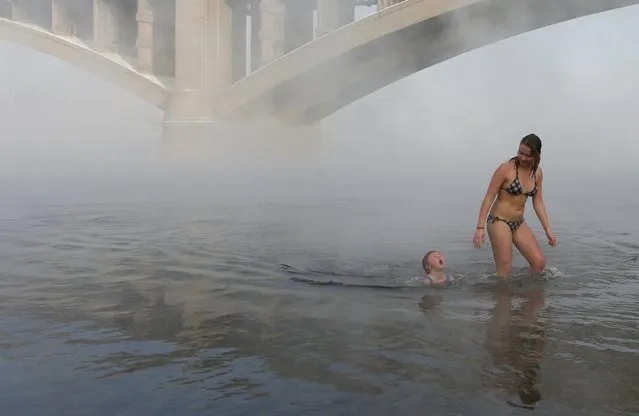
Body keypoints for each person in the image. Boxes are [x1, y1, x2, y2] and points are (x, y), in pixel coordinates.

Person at [472, 134, 557, 278]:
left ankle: (526, 294)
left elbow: (538, 202)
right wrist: (480, 228)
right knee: (505, 271)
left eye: (527, 155)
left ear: (537, 155)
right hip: (499, 221)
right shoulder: (506, 169)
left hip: (518, 222)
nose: (522, 158)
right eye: (520, 152)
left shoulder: (537, 173)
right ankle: (502, 298)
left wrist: (547, 229)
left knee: (539, 264)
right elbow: (489, 197)